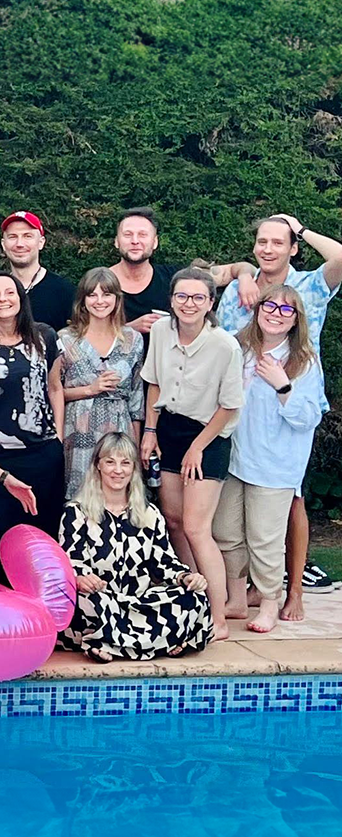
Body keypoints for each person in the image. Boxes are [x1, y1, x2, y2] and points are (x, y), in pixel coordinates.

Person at [215, 215, 342, 620]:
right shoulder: (240, 292)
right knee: (229, 526)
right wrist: (239, 271)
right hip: (238, 437)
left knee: (286, 512)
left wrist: (299, 227)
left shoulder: (309, 287)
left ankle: (288, 595)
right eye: (262, 241)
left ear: (292, 248)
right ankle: (242, 594)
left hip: (281, 441)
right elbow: (203, 279)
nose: (268, 248)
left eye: (278, 241)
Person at [139, 267, 243, 640]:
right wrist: (150, 431)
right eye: (182, 296)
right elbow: (153, 382)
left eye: (198, 297)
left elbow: (230, 406)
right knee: (174, 519)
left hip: (208, 435)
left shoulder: (224, 345)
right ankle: (191, 600)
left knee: (198, 528)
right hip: (170, 428)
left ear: (211, 303)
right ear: (171, 300)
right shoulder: (163, 331)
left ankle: (217, 616)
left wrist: (197, 448)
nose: (189, 303)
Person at [214, 285, 324, 634]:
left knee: (264, 539)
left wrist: (283, 385)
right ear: (258, 308)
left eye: (286, 310)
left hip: (275, 465)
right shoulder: (238, 347)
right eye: (270, 305)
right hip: (234, 457)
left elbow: (309, 418)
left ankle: (270, 603)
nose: (276, 313)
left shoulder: (303, 361)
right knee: (225, 531)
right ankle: (236, 598)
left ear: (295, 321)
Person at [57, 432, 212, 662]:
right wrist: (82, 578)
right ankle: (159, 642)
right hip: (100, 601)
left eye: (125, 463)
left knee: (195, 598)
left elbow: (164, 562)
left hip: (139, 603)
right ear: (97, 466)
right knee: (84, 604)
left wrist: (185, 577)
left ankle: (109, 644)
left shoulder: (150, 514)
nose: (117, 470)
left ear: (133, 469)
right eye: (110, 462)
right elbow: (71, 562)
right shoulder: (76, 513)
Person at [0, 273, 66, 583]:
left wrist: (57, 437)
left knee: (41, 532)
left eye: (10, 292)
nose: (3, 298)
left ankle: (42, 607)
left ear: (21, 299)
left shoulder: (45, 337)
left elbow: (55, 387)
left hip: (41, 456)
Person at [56, 268, 145, 498]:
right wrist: (89, 389)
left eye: (106, 295)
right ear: (83, 301)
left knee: (119, 496)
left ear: (116, 299)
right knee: (80, 496)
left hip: (118, 427)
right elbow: (54, 393)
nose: (100, 301)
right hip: (78, 429)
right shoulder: (65, 339)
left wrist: (134, 445)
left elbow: (136, 398)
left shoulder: (133, 340)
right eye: (92, 295)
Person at [0, 211, 75, 330]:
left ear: (41, 242)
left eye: (27, 236)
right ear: (4, 245)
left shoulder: (65, 292)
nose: (19, 244)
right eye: (13, 237)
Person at [109, 207, 175, 337]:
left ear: (155, 242)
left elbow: (211, 277)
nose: (135, 241)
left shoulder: (173, 278)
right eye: (128, 234)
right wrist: (130, 328)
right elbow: (85, 334)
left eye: (142, 235)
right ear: (117, 241)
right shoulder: (99, 283)